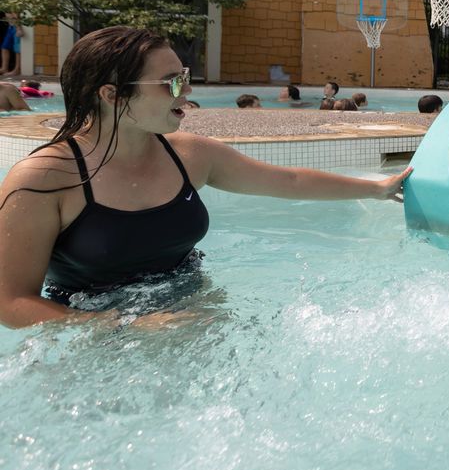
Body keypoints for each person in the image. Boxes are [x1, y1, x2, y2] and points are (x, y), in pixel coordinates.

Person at [0, 26, 411, 329]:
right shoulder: (45, 179)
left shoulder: (190, 155)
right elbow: (11, 302)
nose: (185, 91)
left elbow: (289, 182)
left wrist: (378, 189)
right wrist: (125, 324)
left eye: (185, 77)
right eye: (171, 82)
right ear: (111, 95)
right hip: (90, 334)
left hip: (193, 312)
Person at [1, 12, 24, 77]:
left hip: (16, 27)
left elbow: (15, 15)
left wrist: (19, 28)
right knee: (4, 47)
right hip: (10, 26)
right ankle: (4, 68)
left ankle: (17, 69)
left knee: (17, 49)